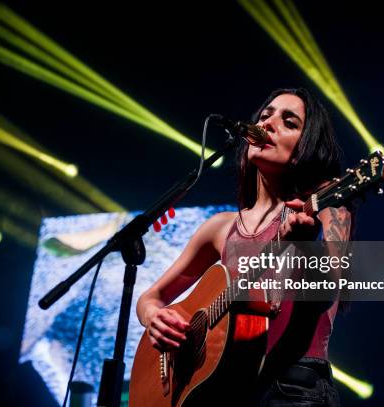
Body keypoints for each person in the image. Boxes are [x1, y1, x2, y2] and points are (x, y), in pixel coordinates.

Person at [136, 88, 352, 406]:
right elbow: (149, 298)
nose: (268, 123)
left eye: (288, 122)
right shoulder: (221, 227)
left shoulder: (326, 207)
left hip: (293, 388)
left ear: (306, 147)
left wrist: (306, 249)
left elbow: (332, 290)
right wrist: (155, 317)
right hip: (227, 392)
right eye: (265, 116)